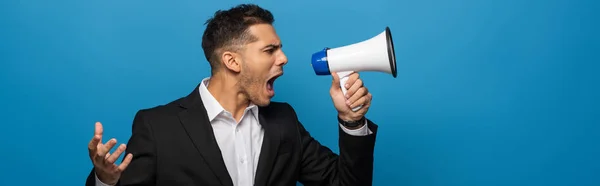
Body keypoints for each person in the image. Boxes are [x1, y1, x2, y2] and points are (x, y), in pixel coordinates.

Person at [86, 3, 379, 186]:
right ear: (232, 61)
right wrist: (106, 181)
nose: (284, 58)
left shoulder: (284, 120)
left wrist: (351, 120)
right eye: (270, 50)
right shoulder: (158, 126)